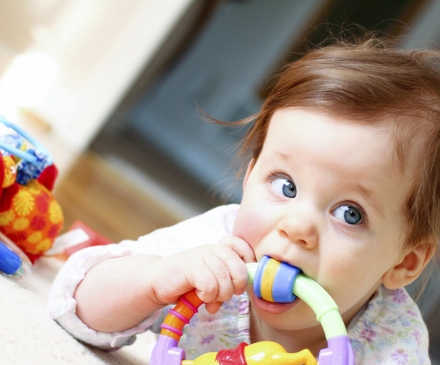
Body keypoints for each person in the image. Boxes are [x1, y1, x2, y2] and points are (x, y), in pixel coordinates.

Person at [48, 34, 440, 364]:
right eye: (285, 185)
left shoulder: (393, 344)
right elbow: (75, 307)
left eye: (350, 214)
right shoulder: (209, 250)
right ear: (251, 176)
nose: (296, 226)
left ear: (404, 260)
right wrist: (154, 281)